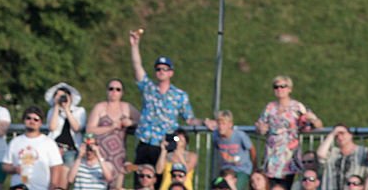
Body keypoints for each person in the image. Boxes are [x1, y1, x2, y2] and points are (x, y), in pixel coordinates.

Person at [129, 29, 200, 172]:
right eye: (158, 69)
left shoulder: (179, 95)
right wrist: (134, 45)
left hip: (164, 145)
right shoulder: (148, 88)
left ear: (171, 73)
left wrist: (205, 122)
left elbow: (189, 119)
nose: (161, 71)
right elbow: (137, 66)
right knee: (141, 179)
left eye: (165, 69)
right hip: (145, 141)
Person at [255, 76, 322, 189]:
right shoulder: (270, 107)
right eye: (276, 87)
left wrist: (313, 120)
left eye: (283, 86)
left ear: (289, 89)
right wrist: (260, 128)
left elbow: (317, 123)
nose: (279, 89)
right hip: (272, 155)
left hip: (288, 156)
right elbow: (259, 124)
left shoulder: (297, 107)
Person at [87, 80, 139, 190]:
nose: (114, 92)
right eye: (111, 88)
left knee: (116, 186)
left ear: (122, 92)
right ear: (107, 91)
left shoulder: (127, 107)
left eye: (118, 89)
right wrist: (111, 127)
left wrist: (131, 122)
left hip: (118, 155)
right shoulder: (100, 107)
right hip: (100, 153)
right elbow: (89, 130)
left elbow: (143, 122)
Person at [2, 105, 65, 190]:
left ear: (40, 123)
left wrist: (53, 185)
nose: (32, 121)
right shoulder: (15, 142)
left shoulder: (48, 143)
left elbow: (56, 167)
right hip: (18, 187)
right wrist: (14, 169)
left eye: (36, 119)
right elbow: (5, 165)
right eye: (28, 118)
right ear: (24, 120)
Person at [210, 110, 256, 190]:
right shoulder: (216, 135)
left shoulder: (239, 136)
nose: (221, 127)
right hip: (225, 169)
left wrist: (254, 167)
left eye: (223, 124)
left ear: (230, 124)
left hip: (241, 169)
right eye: (219, 124)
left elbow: (252, 149)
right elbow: (217, 147)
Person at [317, 124, 368, 190]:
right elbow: (320, 154)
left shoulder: (363, 152)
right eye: (337, 135)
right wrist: (332, 134)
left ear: (350, 135)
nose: (340, 137)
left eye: (342, 133)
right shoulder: (332, 152)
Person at [46, 82, 87, 169]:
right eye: (57, 95)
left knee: (67, 178)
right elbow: (52, 127)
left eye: (63, 96)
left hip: (71, 150)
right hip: (54, 148)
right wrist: (57, 106)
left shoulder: (79, 111)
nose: (61, 98)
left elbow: (77, 128)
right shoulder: (52, 111)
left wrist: (67, 109)